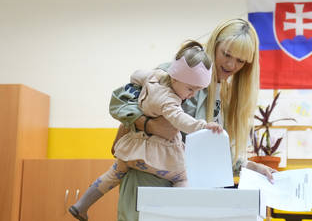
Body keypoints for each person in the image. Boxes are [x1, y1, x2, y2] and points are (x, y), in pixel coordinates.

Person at [111, 18, 276, 221]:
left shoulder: (221, 93)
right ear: (215, 44)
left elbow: (209, 153)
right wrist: (150, 124)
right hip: (147, 180)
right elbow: (120, 101)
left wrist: (250, 166)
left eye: (240, 61)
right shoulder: (177, 72)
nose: (232, 64)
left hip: (182, 189)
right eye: (226, 54)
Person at [68, 41, 223, 221]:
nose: (192, 95)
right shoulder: (169, 101)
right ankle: (179, 215)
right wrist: (203, 125)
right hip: (157, 157)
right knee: (182, 178)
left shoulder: (154, 77)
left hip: (132, 151)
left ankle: (81, 206)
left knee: (113, 174)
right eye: (190, 89)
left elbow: (135, 75)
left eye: (198, 90)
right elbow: (181, 121)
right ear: (175, 78)